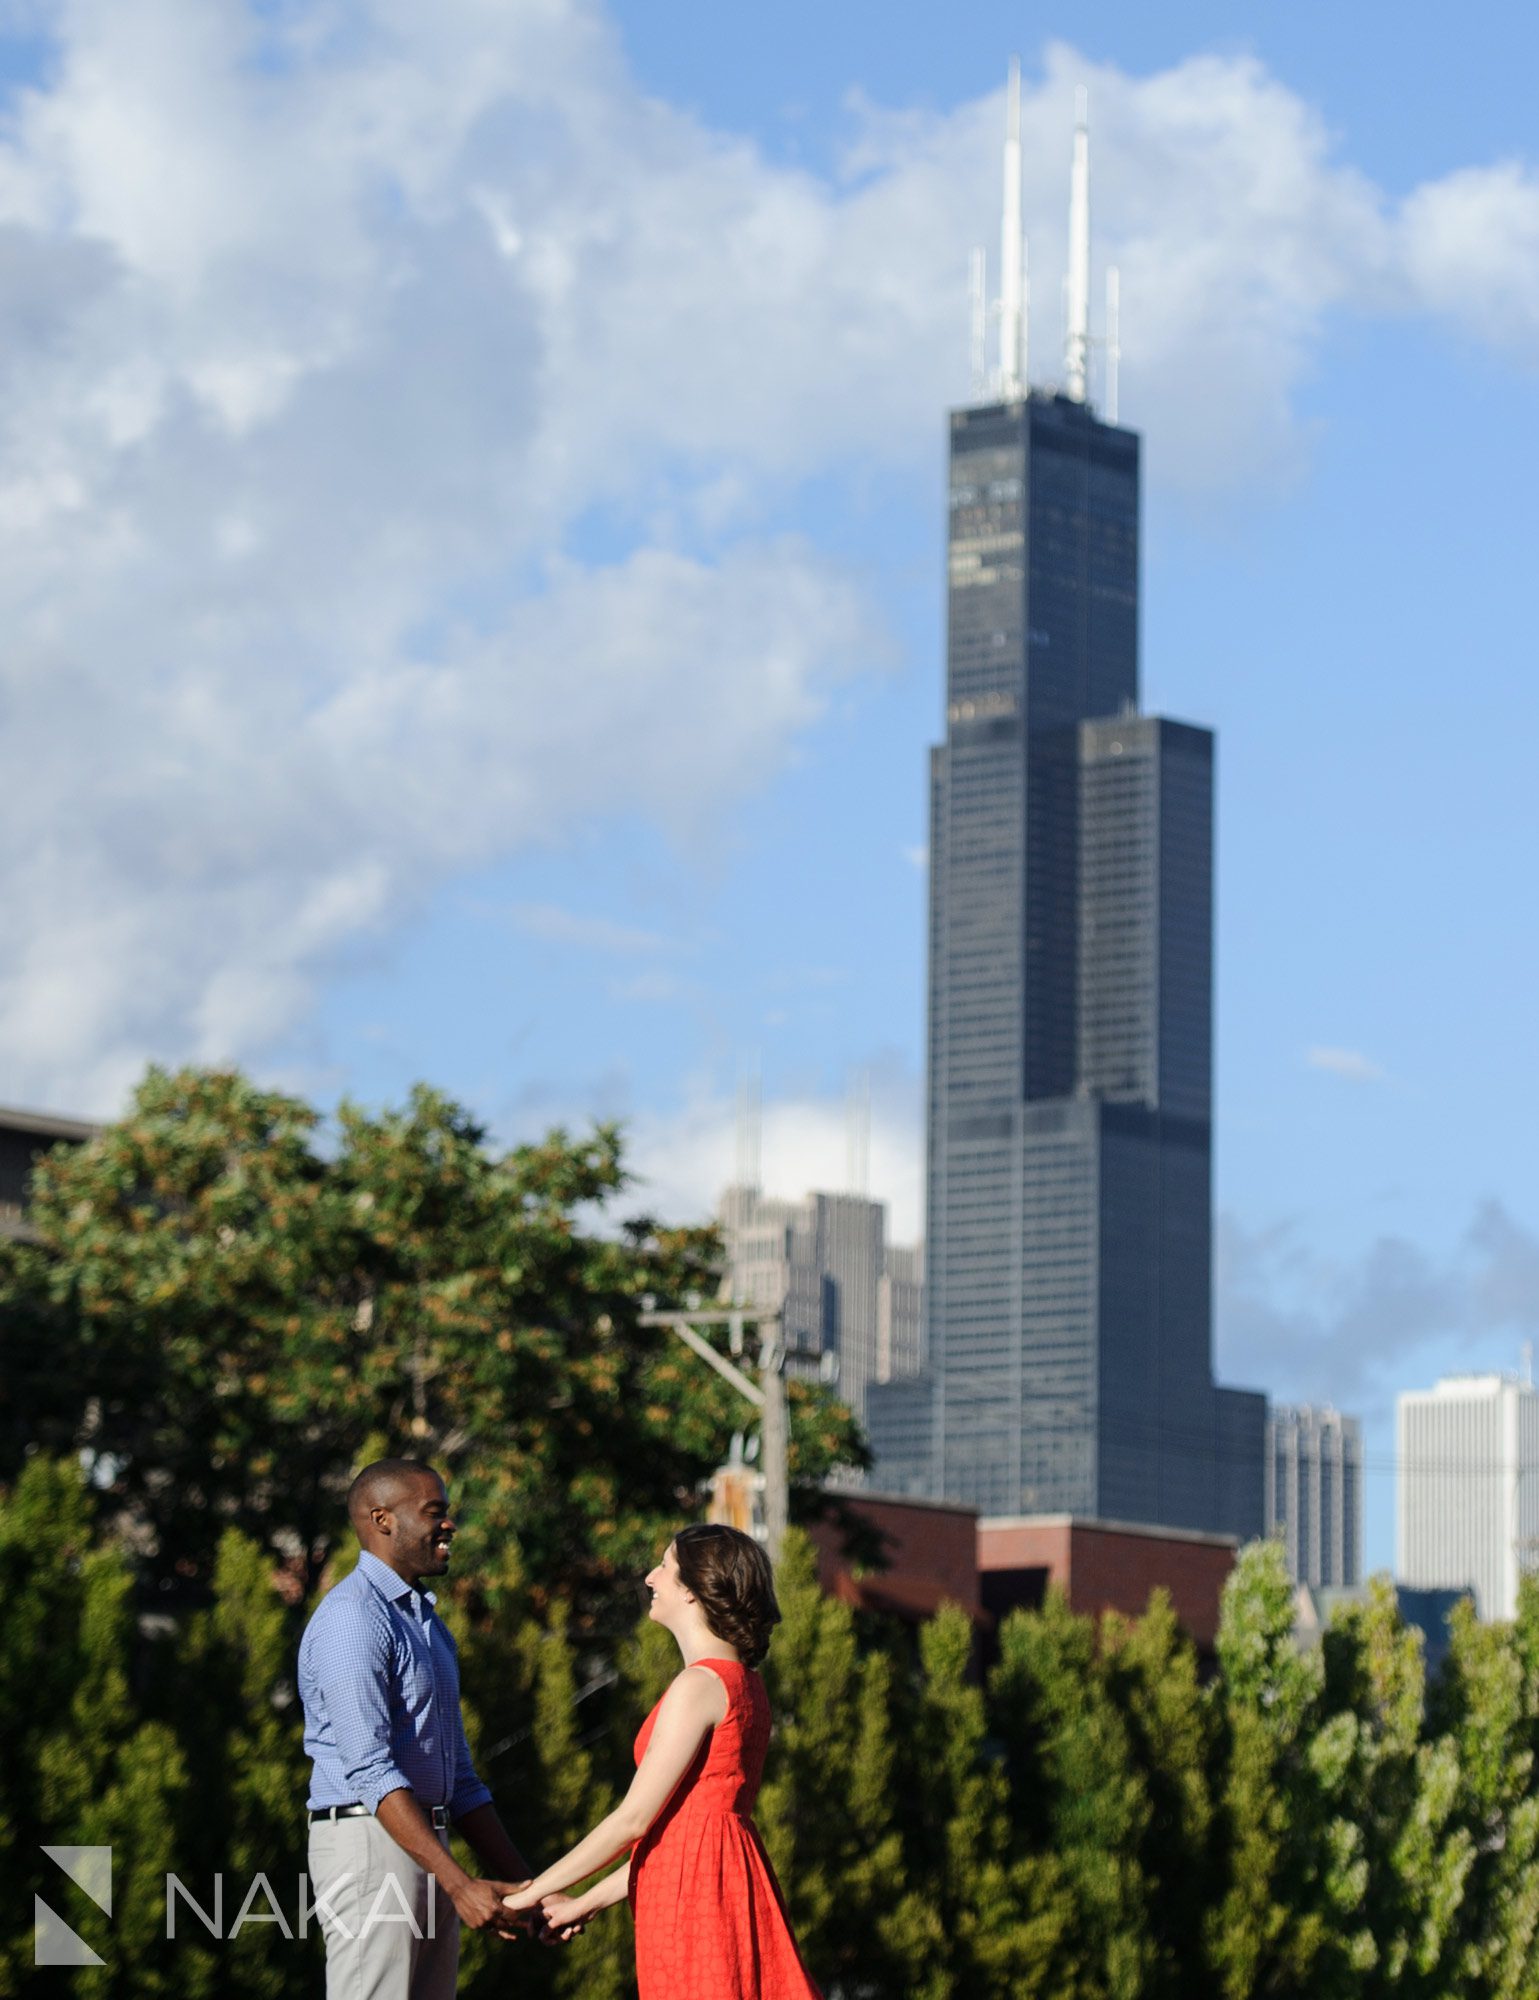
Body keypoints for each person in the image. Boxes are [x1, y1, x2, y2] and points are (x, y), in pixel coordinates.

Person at [503, 1522, 822, 1999]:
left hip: (693, 1901)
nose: (651, 1577)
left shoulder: (699, 1685)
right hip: (715, 1883)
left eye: (666, 1567)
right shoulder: (745, 1684)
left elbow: (633, 1821)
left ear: (695, 1591)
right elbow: (681, 1837)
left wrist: (524, 1897)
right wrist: (584, 1903)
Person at [298, 1457, 546, 1997]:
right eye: (434, 1512)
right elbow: (368, 1767)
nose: (450, 1525)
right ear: (382, 1519)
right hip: (368, 1841)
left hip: (423, 1842)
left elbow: (460, 1780)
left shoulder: (425, 1624)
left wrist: (533, 1894)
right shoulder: (352, 1618)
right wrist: (459, 1884)